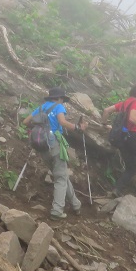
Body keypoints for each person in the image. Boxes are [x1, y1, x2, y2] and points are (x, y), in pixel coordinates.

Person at [23, 87, 88, 220]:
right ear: (59, 98)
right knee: (60, 178)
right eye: (63, 99)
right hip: (55, 145)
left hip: (42, 147)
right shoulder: (58, 107)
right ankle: (57, 211)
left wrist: (39, 129)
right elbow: (62, 122)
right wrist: (77, 128)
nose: (63, 102)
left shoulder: (41, 108)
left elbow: (25, 122)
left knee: (61, 175)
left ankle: (76, 205)